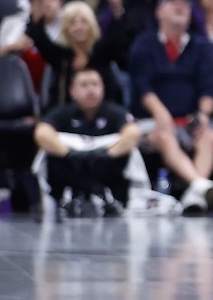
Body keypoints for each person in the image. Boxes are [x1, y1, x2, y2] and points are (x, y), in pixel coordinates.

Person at [128, 0, 213, 214]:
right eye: (172, 2)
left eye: (184, 3)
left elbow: (209, 87)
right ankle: (199, 185)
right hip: (153, 119)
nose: (179, 6)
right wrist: (161, 113)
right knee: (164, 135)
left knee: (209, 137)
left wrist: (203, 114)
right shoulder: (145, 44)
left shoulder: (200, 46)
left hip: (189, 118)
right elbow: (142, 86)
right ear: (159, 11)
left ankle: (195, 194)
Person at [33, 67, 142, 217]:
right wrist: (69, 153)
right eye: (84, 85)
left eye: (95, 85)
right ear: (73, 91)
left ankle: (106, 196)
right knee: (49, 151)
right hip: (71, 166)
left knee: (128, 149)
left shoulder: (114, 112)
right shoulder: (63, 113)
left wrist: (108, 154)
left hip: (106, 167)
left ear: (103, 89)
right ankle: (68, 197)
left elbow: (133, 132)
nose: (90, 90)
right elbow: (42, 132)